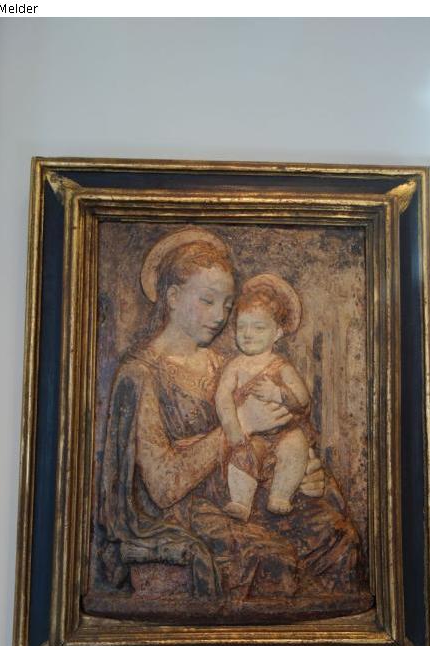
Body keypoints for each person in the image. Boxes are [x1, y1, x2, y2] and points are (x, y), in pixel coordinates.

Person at [95, 226, 368, 621]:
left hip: (248, 490)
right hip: (187, 510)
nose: (220, 316)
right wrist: (239, 424)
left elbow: (275, 433)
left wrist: (300, 471)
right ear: (172, 297)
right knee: (272, 557)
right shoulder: (140, 375)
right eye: (207, 301)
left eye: (226, 305)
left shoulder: (228, 366)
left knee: (337, 534)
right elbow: (164, 486)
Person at [216, 273, 313, 520]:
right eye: (242, 327)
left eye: (258, 328)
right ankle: (241, 502)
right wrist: (233, 428)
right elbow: (222, 397)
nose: (248, 334)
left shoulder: (281, 366)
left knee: (296, 447)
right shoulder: (235, 366)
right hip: (252, 435)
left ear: (277, 332)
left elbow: (302, 398)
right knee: (241, 457)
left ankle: (280, 495)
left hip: (284, 432)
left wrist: (278, 393)